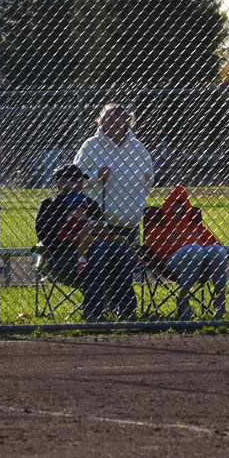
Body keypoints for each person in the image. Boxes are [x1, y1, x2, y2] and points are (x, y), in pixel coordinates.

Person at [73, 104, 153, 319]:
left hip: (129, 222)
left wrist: (136, 204)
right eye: (108, 118)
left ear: (127, 121)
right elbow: (74, 179)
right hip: (99, 223)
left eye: (118, 118)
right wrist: (95, 176)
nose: (113, 122)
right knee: (100, 266)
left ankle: (125, 310)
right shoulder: (90, 146)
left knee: (124, 269)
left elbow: (149, 180)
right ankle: (98, 309)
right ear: (101, 121)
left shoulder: (138, 148)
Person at [35, 164, 131, 322]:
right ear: (60, 183)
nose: (79, 184)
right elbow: (47, 237)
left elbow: (103, 227)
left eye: (81, 181)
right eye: (74, 181)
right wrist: (77, 240)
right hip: (63, 258)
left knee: (121, 246)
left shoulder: (90, 204)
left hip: (99, 253)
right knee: (98, 248)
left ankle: (126, 310)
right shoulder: (50, 205)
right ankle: (92, 311)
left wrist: (100, 231)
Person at [144, 185, 227, 320]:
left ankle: (220, 301)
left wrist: (195, 246)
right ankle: (183, 299)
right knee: (193, 249)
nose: (178, 216)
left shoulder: (195, 227)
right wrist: (189, 245)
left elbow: (216, 244)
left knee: (216, 250)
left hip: (202, 265)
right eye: (174, 213)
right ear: (167, 211)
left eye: (182, 213)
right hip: (172, 266)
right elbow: (157, 250)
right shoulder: (158, 229)